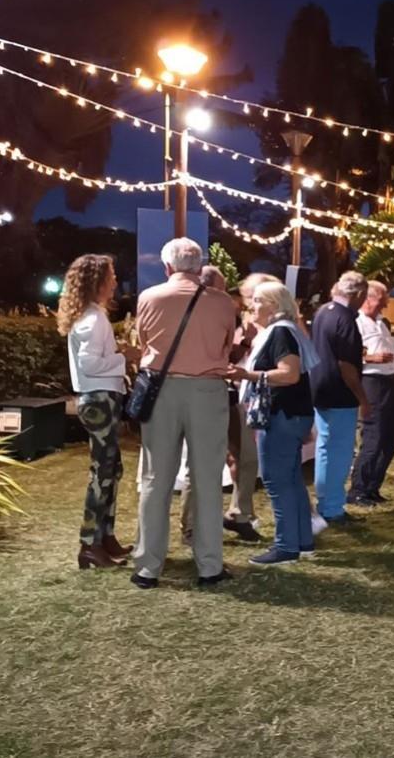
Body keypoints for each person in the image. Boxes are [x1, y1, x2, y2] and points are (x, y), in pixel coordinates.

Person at [132, 238, 236, 589]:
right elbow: (226, 346)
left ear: (167, 267)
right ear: (198, 265)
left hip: (162, 391)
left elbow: (144, 342)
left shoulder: (150, 297)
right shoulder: (223, 302)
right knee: (207, 479)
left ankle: (148, 566)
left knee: (154, 479)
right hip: (208, 390)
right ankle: (209, 565)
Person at [226, 281, 319, 565]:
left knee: (277, 481)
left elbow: (288, 374)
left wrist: (248, 376)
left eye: (257, 300)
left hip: (281, 415)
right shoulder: (287, 331)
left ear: (273, 305)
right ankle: (301, 541)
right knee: (290, 479)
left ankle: (286, 546)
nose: (250, 306)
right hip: (292, 414)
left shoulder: (279, 333)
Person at [59, 254, 138, 569]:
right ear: (98, 281)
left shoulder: (91, 316)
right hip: (99, 398)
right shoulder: (93, 319)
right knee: (102, 474)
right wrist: (124, 358)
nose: (116, 280)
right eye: (112, 275)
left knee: (110, 470)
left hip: (99, 397)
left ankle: (104, 537)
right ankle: (91, 543)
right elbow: (90, 364)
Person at [179, 266, 262, 545]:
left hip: (231, 395)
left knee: (247, 457)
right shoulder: (192, 316)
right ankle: (191, 526)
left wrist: (245, 340)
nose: (227, 297)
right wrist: (243, 341)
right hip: (203, 395)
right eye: (220, 289)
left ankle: (239, 514)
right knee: (201, 462)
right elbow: (219, 357)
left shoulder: (228, 314)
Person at [309, 271, 371, 528]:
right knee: (341, 452)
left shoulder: (323, 312)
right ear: (357, 294)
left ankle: (326, 501)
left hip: (319, 388)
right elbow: (346, 365)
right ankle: (333, 507)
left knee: (325, 448)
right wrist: (362, 398)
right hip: (339, 392)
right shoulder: (345, 319)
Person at [348, 280, 394, 506]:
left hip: (389, 382)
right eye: (382, 298)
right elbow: (344, 357)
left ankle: (372, 487)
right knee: (374, 437)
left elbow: (391, 356)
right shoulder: (355, 322)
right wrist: (369, 358)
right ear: (368, 298)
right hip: (371, 383)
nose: (386, 302)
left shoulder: (380, 323)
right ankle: (358, 490)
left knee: (391, 438)